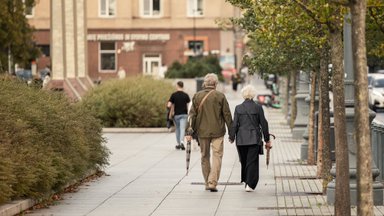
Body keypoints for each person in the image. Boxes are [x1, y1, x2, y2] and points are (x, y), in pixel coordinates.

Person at [186, 73, 233, 192]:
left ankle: (207, 181)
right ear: (216, 84)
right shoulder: (220, 96)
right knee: (217, 156)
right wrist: (232, 132)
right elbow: (227, 115)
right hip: (218, 131)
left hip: (202, 132)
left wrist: (188, 131)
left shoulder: (197, 96)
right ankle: (213, 182)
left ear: (204, 84)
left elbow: (192, 115)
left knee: (204, 156)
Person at [229, 85, 272, 192]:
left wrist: (232, 136)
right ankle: (250, 183)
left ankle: (246, 181)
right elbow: (264, 124)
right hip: (254, 138)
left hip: (241, 139)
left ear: (243, 95)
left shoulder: (238, 108)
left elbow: (235, 124)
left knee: (244, 160)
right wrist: (267, 139)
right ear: (253, 95)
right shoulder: (258, 107)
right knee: (252, 161)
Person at [167, 81, 191, 150]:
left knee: (177, 129)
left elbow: (169, 105)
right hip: (184, 114)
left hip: (176, 115)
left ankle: (178, 143)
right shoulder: (186, 95)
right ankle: (182, 142)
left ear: (177, 86)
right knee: (182, 128)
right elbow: (189, 104)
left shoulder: (173, 95)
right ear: (182, 86)